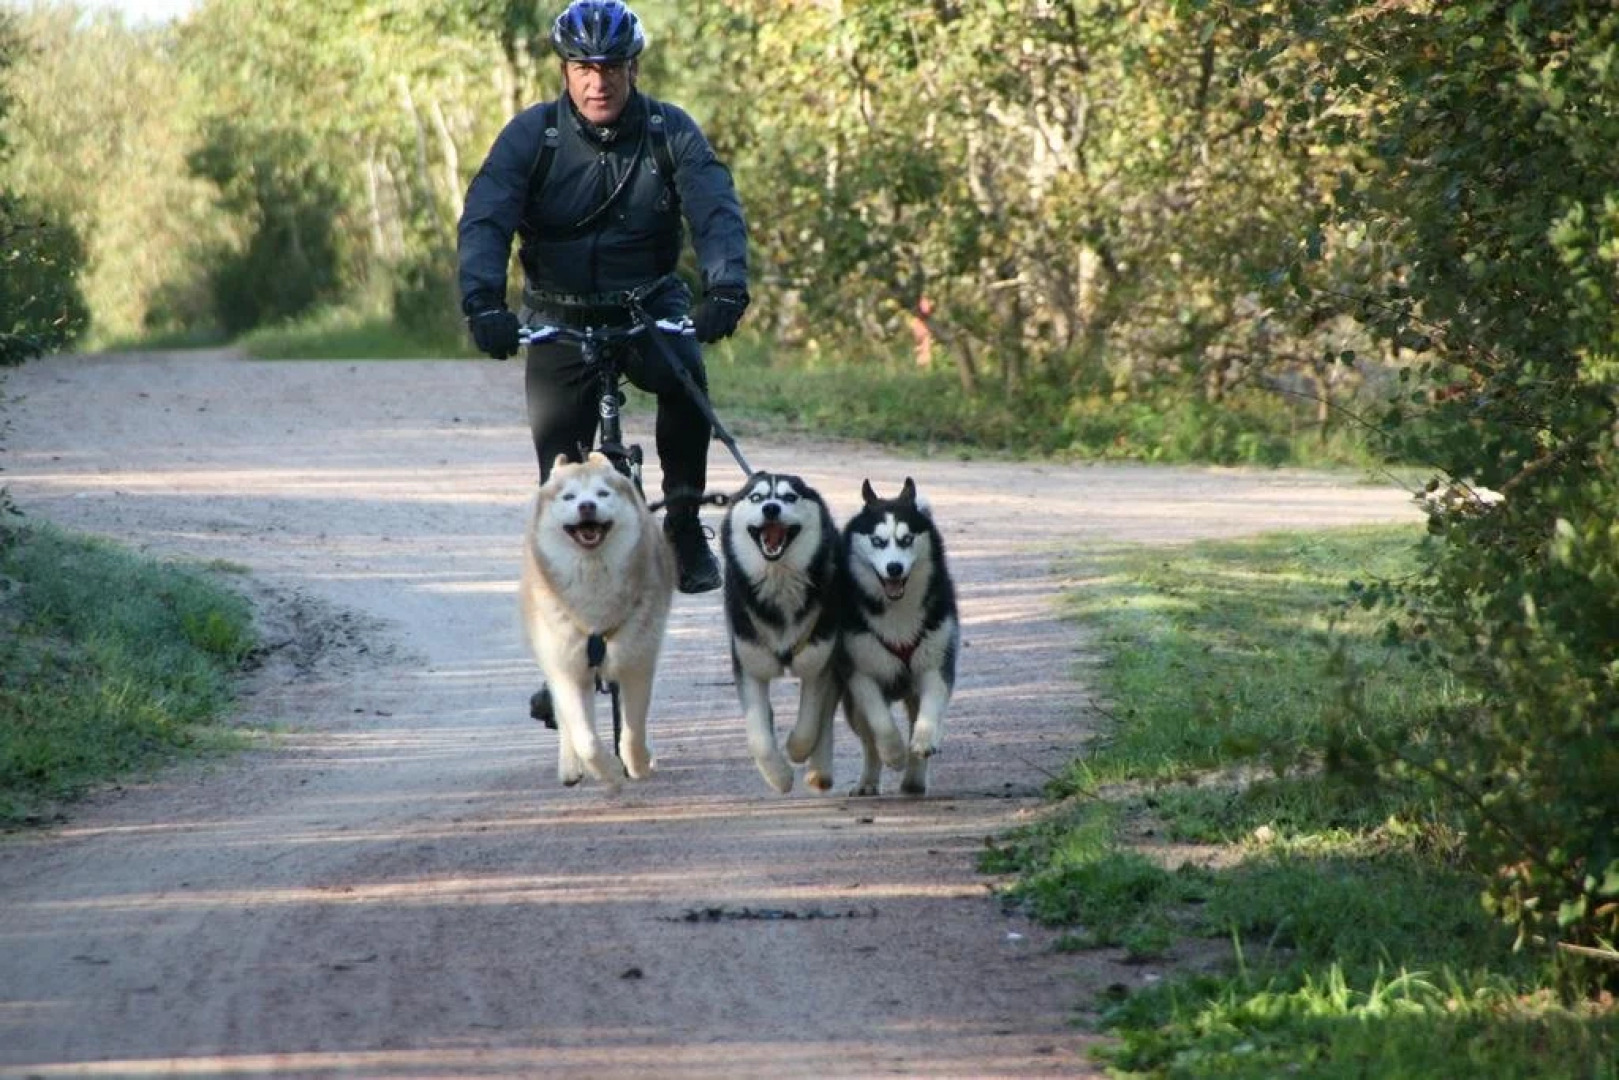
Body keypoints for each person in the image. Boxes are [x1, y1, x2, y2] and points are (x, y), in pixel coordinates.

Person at [457, 0, 749, 596]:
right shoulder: (530, 137)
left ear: (633, 68)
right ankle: (563, 652)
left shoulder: (670, 132)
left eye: (612, 66)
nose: (599, 80)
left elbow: (715, 208)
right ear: (564, 70)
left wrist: (726, 286)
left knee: (689, 387)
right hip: (558, 316)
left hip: (649, 307)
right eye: (584, 67)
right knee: (560, 482)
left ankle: (686, 526)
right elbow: (486, 218)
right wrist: (483, 303)